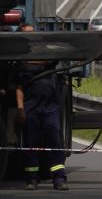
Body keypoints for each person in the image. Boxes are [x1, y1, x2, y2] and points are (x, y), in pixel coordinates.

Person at [15, 24, 69, 191]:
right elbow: (19, 89)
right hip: (31, 108)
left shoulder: (49, 59)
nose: (31, 37)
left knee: (54, 140)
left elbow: (59, 51)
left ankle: (58, 178)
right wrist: (21, 110)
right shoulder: (22, 65)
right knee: (31, 143)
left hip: (50, 108)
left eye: (33, 33)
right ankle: (31, 179)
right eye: (27, 34)